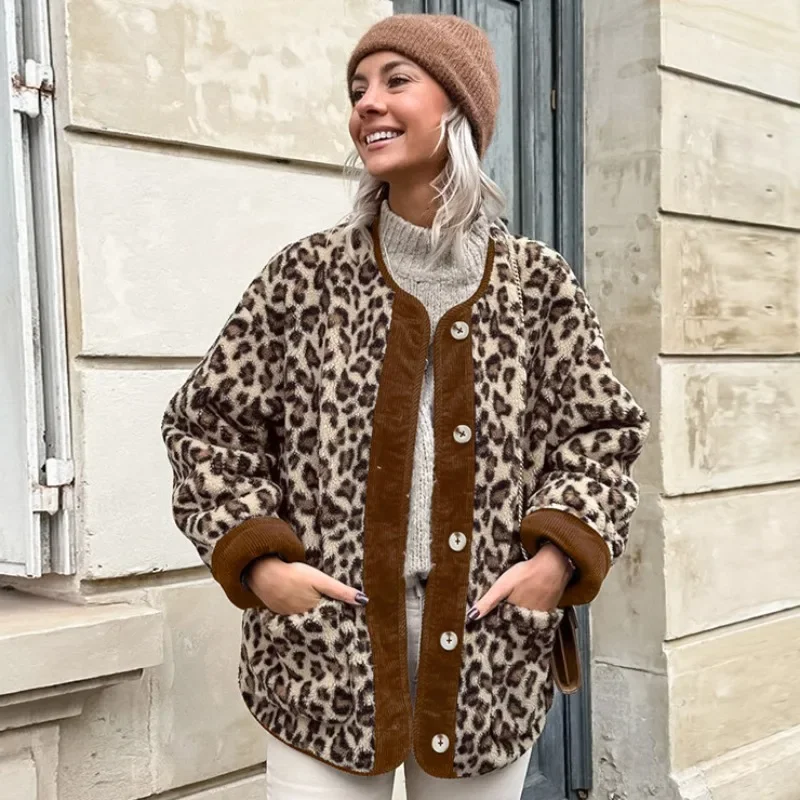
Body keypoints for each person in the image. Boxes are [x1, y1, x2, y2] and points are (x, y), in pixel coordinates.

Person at [161, 13, 649, 800]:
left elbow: (601, 436)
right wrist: (261, 564)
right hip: (325, 655)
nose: (367, 104)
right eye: (358, 88)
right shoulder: (307, 278)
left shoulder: (536, 285)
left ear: (457, 106)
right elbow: (207, 428)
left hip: (489, 656)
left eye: (396, 82)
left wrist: (553, 564)